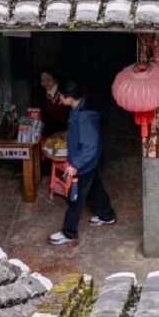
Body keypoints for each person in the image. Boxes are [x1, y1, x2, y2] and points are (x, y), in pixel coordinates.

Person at [49, 80, 116, 245]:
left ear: (69, 97)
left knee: (75, 199)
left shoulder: (83, 117)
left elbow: (89, 145)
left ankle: (69, 232)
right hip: (90, 162)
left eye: (60, 96)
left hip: (84, 162)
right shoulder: (80, 107)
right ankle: (107, 215)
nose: (59, 99)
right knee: (95, 186)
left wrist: (74, 165)